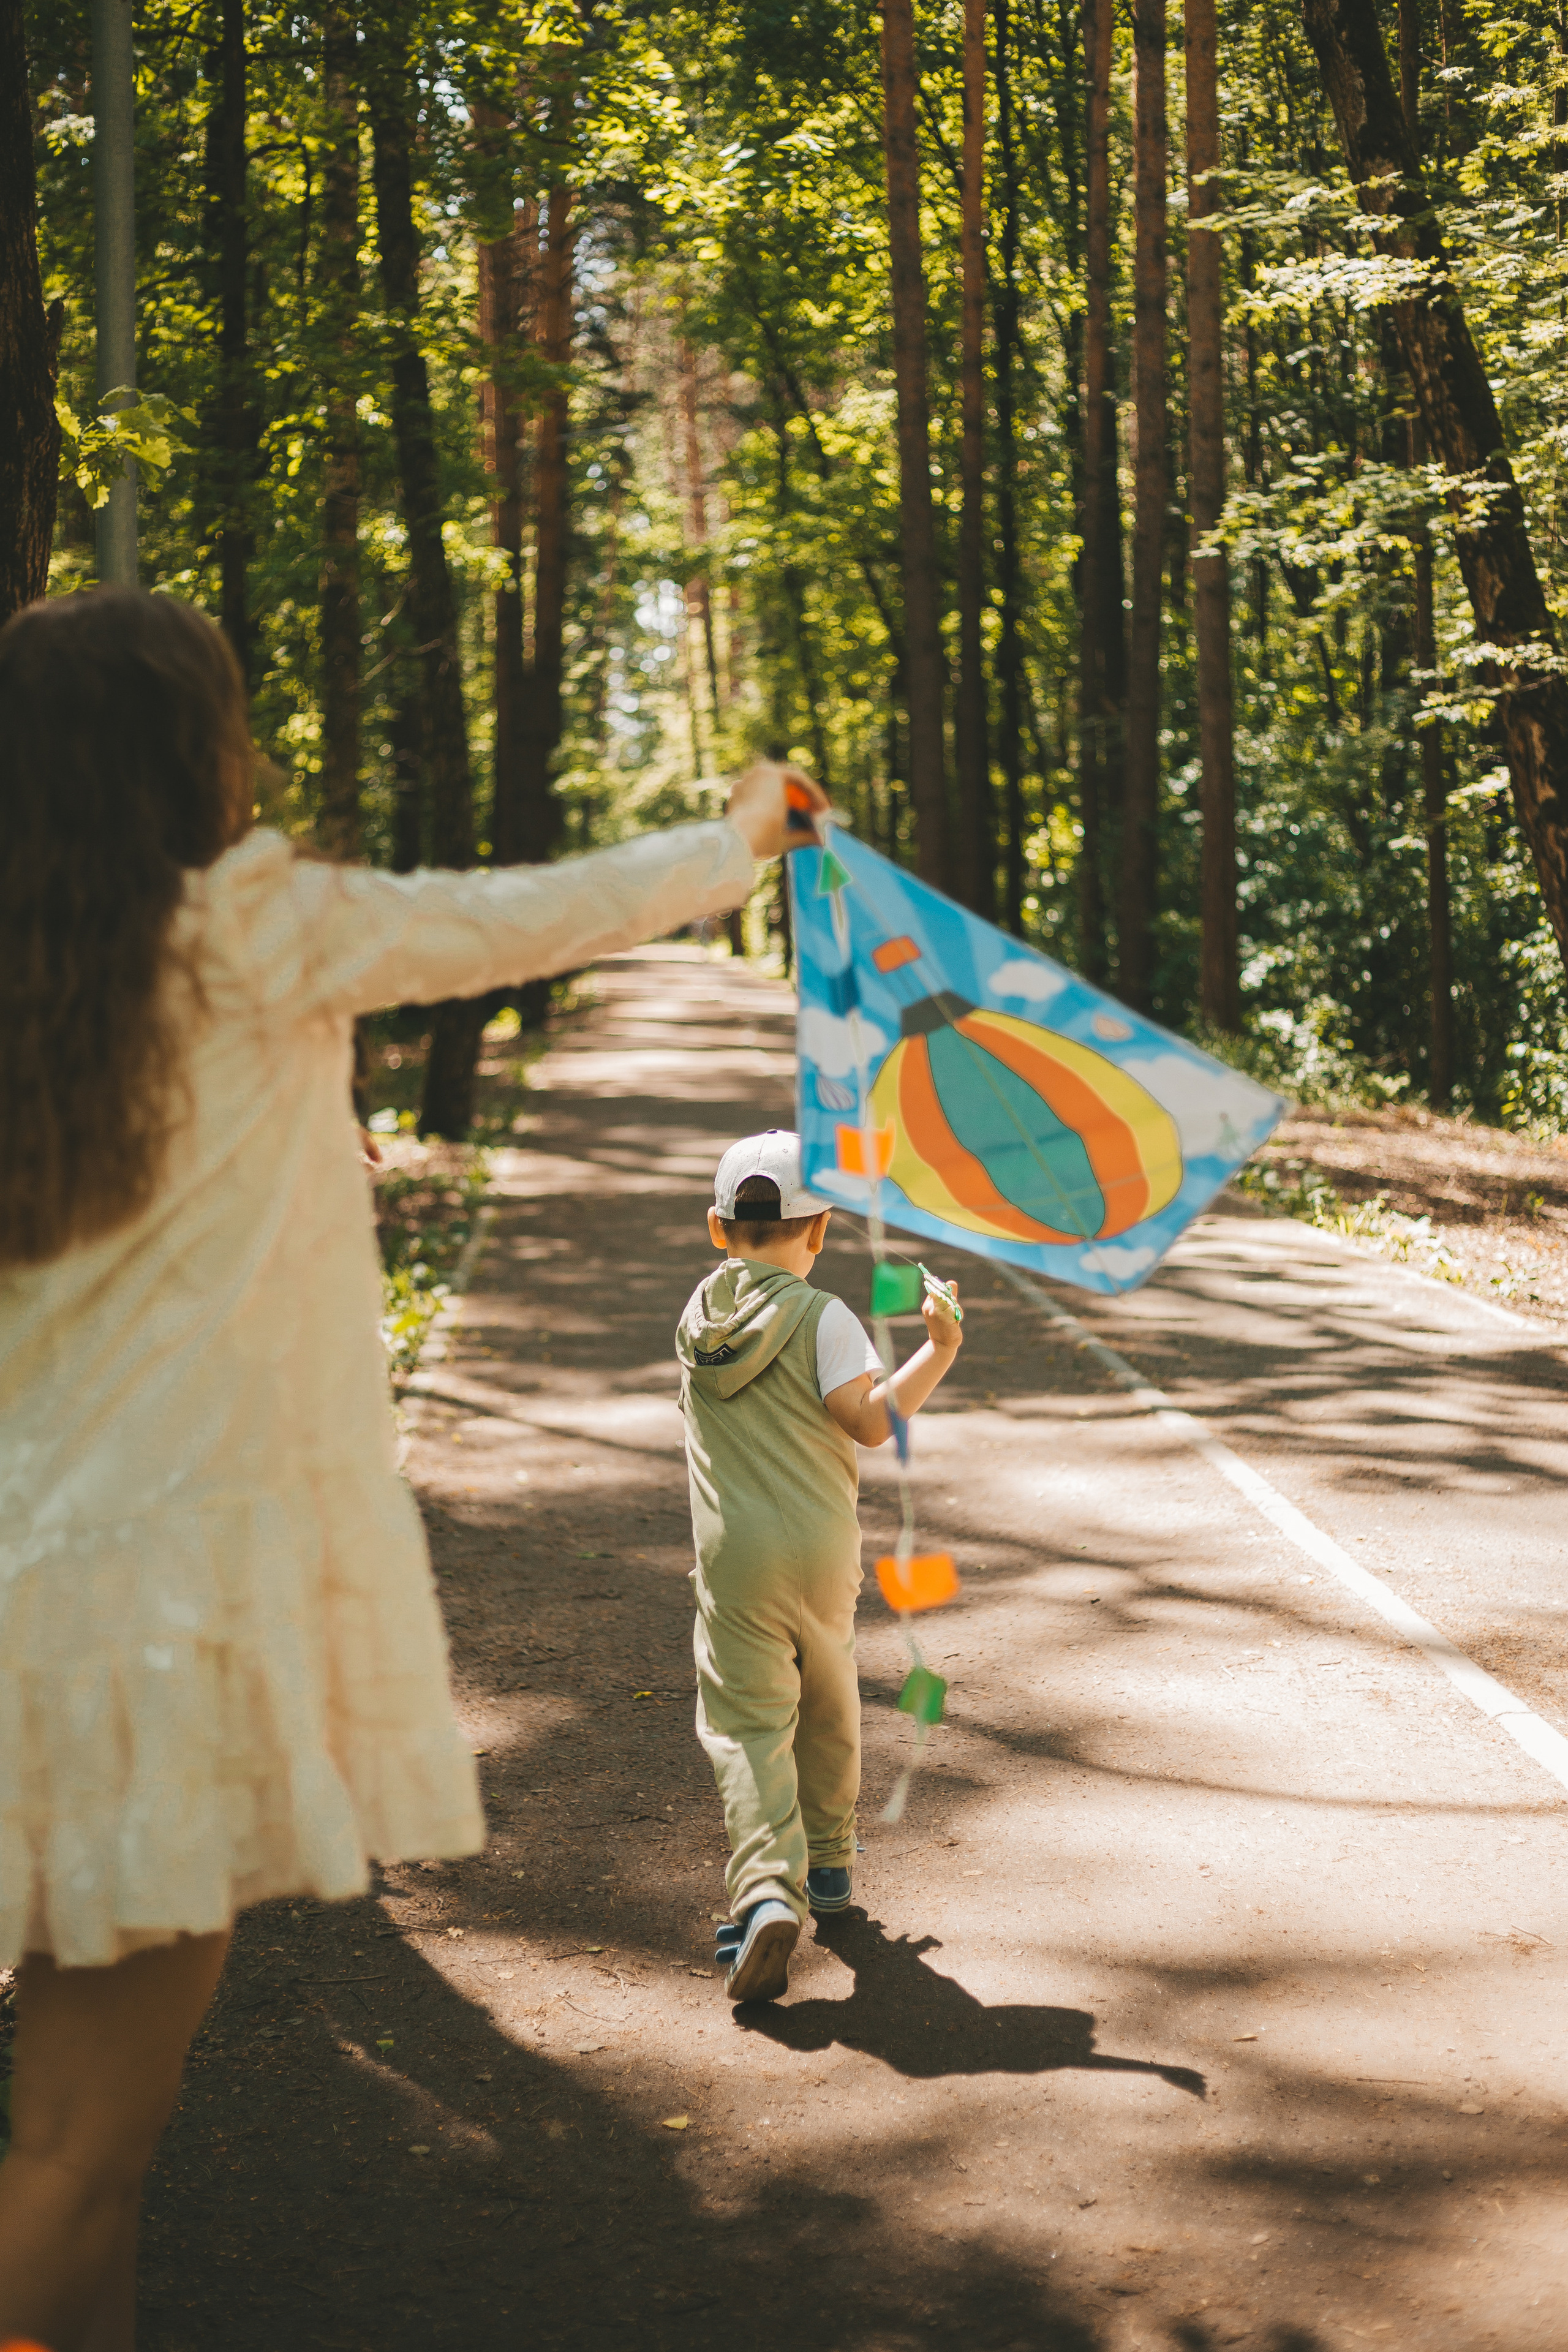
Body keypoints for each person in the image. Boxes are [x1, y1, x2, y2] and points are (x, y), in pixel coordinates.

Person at [0, 586, 827, 2352]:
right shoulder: (253, 938)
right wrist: (741, 834)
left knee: (71, 2163)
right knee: (78, 2157)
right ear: (189, 755)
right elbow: (525, 916)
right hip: (153, 1631)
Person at [676, 1130, 962, 2005]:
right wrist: (938, 1349)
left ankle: (767, 1890)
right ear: (822, 1229)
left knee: (750, 1725)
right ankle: (830, 1866)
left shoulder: (695, 1318)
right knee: (830, 1701)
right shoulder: (823, 1316)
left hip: (734, 1564)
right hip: (820, 1552)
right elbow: (871, 1423)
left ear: (719, 1230)